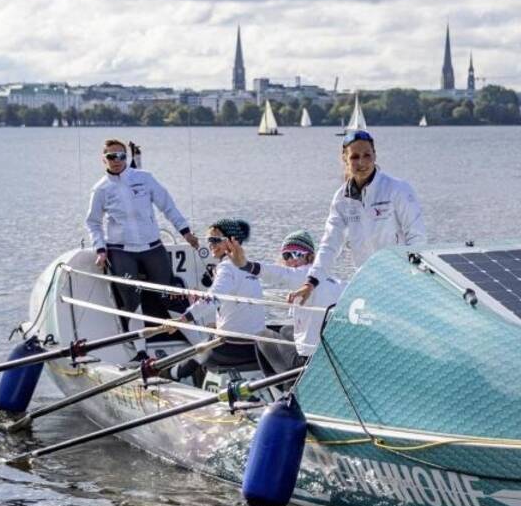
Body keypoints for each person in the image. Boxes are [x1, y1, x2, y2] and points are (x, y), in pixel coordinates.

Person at [85, 138, 200, 361]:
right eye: (111, 156)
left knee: (169, 294)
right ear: (103, 159)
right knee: (131, 300)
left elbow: (168, 206)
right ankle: (140, 352)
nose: (117, 161)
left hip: (152, 246)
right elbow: (93, 223)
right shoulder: (100, 189)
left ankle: (198, 343)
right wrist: (100, 249)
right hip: (120, 250)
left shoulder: (144, 179)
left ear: (126, 158)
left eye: (121, 156)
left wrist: (185, 231)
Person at [289, 129, 426, 304]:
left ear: (375, 156)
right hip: (367, 285)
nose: (361, 162)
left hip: (402, 285)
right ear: (344, 159)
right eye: (354, 157)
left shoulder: (398, 189)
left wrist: (412, 281)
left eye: (367, 155)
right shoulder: (341, 199)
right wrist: (310, 283)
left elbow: (417, 239)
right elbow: (330, 244)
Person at [226, 230, 344, 375]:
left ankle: (282, 388)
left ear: (309, 257)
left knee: (261, 335)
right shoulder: (336, 282)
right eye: (285, 256)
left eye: (294, 254)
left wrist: (245, 265)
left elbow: (277, 274)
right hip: (328, 357)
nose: (289, 260)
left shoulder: (303, 276)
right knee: (285, 330)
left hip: (306, 362)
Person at [172, 218, 266, 383]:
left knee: (202, 350)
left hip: (235, 348)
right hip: (256, 347)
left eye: (215, 240)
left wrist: (182, 319)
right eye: (209, 241)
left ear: (231, 241)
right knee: (210, 339)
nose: (211, 245)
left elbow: (212, 299)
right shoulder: (249, 266)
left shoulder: (226, 267)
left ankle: (170, 375)